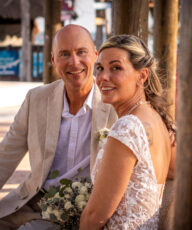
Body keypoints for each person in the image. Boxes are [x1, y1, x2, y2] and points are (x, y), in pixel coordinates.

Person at [0, 24, 117, 229]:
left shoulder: (114, 105)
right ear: (54, 60)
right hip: (33, 202)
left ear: (95, 55)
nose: (74, 62)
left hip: (85, 209)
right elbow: (5, 156)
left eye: (81, 52)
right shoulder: (36, 99)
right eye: (64, 54)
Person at [80, 35, 175, 229]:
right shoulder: (158, 119)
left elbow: (96, 214)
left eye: (116, 68)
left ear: (142, 76)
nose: (103, 77)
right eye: (100, 68)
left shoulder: (128, 127)